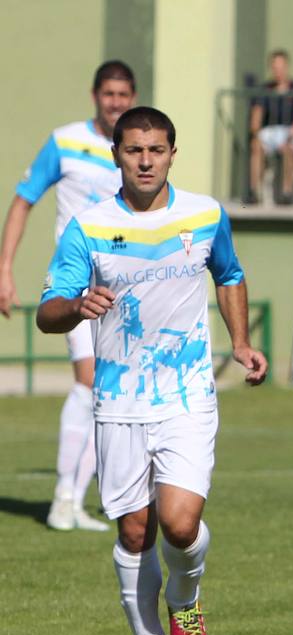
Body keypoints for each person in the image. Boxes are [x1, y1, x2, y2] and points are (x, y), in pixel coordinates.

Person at [35, 106, 267, 635]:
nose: (145, 160)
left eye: (156, 149)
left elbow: (230, 273)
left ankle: (185, 601)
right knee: (135, 530)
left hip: (187, 393)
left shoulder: (205, 214)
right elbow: (47, 312)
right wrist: (75, 307)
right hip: (118, 400)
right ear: (115, 154)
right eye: (134, 149)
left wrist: (240, 342)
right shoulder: (87, 227)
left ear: (171, 154)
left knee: (180, 524)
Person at [0, 61, 137, 533]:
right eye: (109, 93)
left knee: (109, 390)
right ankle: (63, 496)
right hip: (74, 283)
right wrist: (4, 270)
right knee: (89, 379)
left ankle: (77, 500)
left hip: (124, 288)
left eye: (124, 94)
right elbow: (23, 200)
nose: (116, 101)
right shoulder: (64, 142)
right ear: (95, 94)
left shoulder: (135, 151)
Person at [249, 50, 293, 204]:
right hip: (271, 133)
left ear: (287, 67)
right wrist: (256, 133)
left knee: (289, 147)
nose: (278, 71)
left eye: (281, 66)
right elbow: (256, 120)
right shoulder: (264, 90)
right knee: (255, 145)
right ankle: (254, 191)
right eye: (275, 67)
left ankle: (287, 192)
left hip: (292, 132)